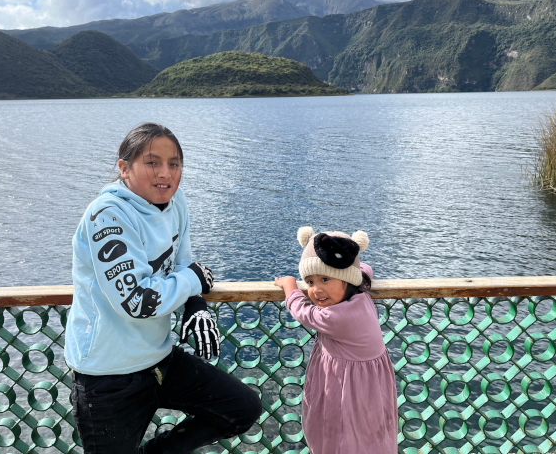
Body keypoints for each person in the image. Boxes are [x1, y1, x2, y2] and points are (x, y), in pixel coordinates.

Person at [65, 123, 261, 454]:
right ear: (124, 168)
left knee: (241, 408)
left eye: (174, 163)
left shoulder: (174, 201)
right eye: (152, 162)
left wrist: (195, 302)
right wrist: (193, 281)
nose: (165, 173)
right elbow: (136, 301)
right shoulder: (107, 215)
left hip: (160, 360)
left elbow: (184, 262)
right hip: (109, 376)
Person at [274, 227, 398, 454]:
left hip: (348, 385)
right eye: (309, 282)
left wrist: (290, 287)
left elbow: (304, 312)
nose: (316, 290)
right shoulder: (361, 292)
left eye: (324, 279)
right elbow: (364, 270)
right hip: (368, 382)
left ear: (346, 279)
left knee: (341, 435)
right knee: (367, 435)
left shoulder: (335, 316)